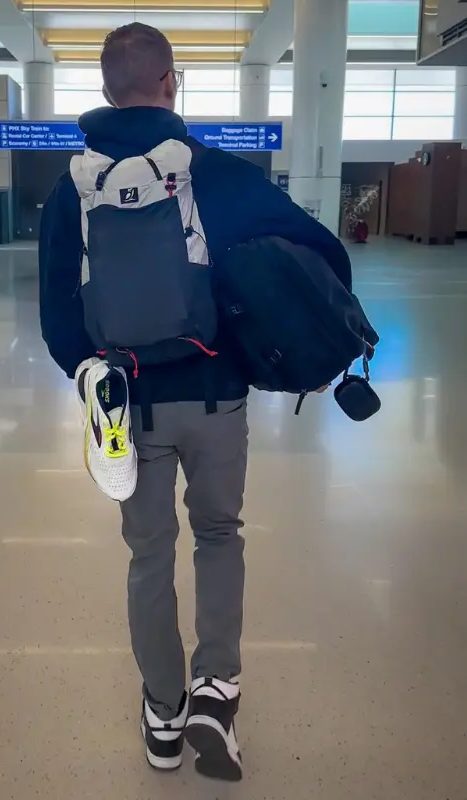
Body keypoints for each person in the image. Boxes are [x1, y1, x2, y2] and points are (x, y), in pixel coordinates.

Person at [39, 23, 351, 782]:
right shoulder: (213, 173)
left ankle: (162, 713)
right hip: (215, 400)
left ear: (107, 90)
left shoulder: (70, 189)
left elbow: (56, 317)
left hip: (127, 405)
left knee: (148, 557)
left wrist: (91, 372)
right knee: (219, 535)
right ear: (170, 83)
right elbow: (319, 250)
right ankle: (217, 691)